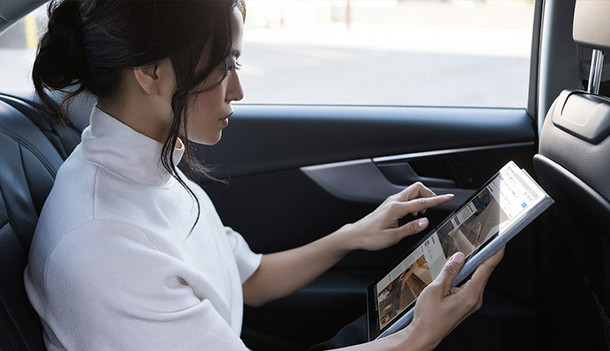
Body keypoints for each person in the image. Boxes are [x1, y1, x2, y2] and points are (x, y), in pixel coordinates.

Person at [24, 0, 504, 350]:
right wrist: (419, 337)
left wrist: (352, 236)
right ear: (151, 72)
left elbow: (248, 279)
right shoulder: (104, 247)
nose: (239, 89)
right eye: (224, 66)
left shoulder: (151, 168)